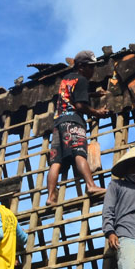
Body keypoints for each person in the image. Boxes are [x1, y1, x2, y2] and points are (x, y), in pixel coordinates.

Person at [45, 50, 110, 205]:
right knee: (79, 153)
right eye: (90, 67)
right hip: (73, 122)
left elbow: (72, 97)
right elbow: (80, 105)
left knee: (56, 161)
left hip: (58, 123)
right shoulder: (82, 80)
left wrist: (94, 94)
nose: (93, 71)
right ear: (81, 66)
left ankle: (50, 197)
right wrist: (97, 113)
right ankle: (91, 185)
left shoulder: (66, 80)